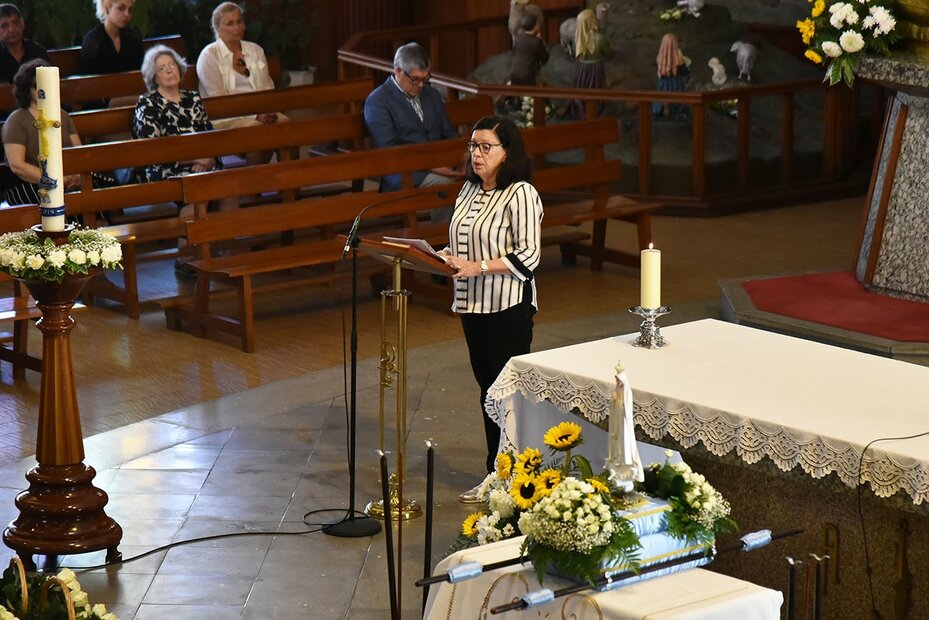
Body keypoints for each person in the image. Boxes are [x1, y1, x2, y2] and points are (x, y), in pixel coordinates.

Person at [438, 116, 543, 503]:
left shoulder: (521, 194)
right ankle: (495, 474)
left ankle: (515, 478)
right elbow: (463, 241)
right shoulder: (468, 189)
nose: (476, 154)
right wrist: (445, 256)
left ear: (507, 153)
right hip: (472, 304)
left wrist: (477, 266)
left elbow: (529, 255)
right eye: (473, 146)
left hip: (507, 306)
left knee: (507, 395)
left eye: (486, 147)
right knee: (487, 392)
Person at [132, 45, 235, 273]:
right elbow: (152, 149)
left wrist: (208, 159)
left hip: (202, 165)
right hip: (164, 169)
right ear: (154, 77)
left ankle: (225, 255)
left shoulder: (193, 98)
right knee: (198, 194)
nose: (169, 70)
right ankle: (185, 259)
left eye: (172, 65)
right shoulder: (147, 104)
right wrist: (195, 160)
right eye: (162, 68)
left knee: (227, 191)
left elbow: (208, 135)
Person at [363, 42, 464, 196]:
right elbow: (390, 151)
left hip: (442, 165)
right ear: (398, 71)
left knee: (481, 177)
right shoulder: (377, 101)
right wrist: (432, 166)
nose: (421, 85)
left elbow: (449, 134)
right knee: (446, 185)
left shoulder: (432, 95)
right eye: (415, 79)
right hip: (404, 172)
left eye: (425, 78)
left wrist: (460, 159)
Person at [2, 59, 82, 206]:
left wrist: (76, 175)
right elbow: (17, 165)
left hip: (67, 180)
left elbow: (79, 153)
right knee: (57, 200)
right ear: (27, 90)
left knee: (97, 190)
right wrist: (54, 180)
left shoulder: (63, 115)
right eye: (38, 85)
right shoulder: (16, 120)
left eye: (48, 84)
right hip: (28, 184)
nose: (44, 89)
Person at [564, 8, 611, 120]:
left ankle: (580, 108)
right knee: (595, 88)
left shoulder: (577, 39)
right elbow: (607, 52)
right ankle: (594, 109)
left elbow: (575, 52)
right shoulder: (600, 38)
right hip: (596, 68)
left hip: (581, 68)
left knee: (581, 86)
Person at [80, 0, 143, 75]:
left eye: (130, 10)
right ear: (107, 8)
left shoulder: (133, 39)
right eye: (121, 8)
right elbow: (87, 78)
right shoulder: (93, 41)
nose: (127, 14)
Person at [504, 13, 548, 111]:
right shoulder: (537, 42)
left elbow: (514, 53)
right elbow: (545, 57)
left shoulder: (517, 38)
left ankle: (515, 103)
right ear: (535, 26)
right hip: (528, 75)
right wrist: (541, 40)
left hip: (514, 73)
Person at [0, 4, 48, 85]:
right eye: (4, 26)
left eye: (15, 23)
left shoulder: (38, 52)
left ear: (22, 23)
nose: (11, 29)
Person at [653, 33, 691, 121]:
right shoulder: (678, 59)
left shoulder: (659, 58)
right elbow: (686, 72)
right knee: (676, 104)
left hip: (662, 84)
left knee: (660, 101)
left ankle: (660, 111)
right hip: (675, 84)